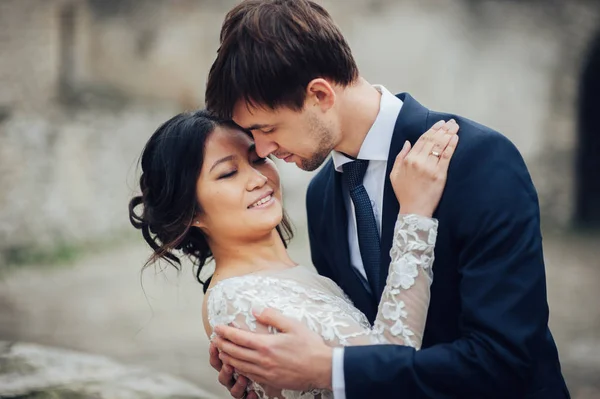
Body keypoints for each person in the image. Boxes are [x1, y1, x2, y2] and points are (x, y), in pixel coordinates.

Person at [204, 1, 570, 398]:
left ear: (320, 95)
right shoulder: (321, 198)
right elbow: (369, 339)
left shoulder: (478, 160)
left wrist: (330, 370)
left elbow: (504, 359)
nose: (263, 149)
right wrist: (274, 380)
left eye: (268, 128)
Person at [128, 110, 458, 399]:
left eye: (257, 160)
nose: (258, 179)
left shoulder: (299, 275)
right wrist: (415, 215)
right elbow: (390, 366)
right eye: (228, 173)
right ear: (190, 213)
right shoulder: (236, 301)